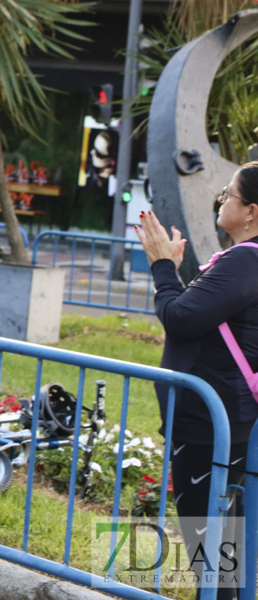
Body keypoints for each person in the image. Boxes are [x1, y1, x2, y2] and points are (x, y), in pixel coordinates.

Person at [134, 165, 258, 597]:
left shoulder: (246, 258)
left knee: (214, 551)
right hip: (226, 416)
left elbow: (182, 318)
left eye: (228, 195)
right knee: (227, 549)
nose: (221, 200)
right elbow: (207, 316)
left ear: (251, 211)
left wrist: (163, 268)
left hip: (211, 423)